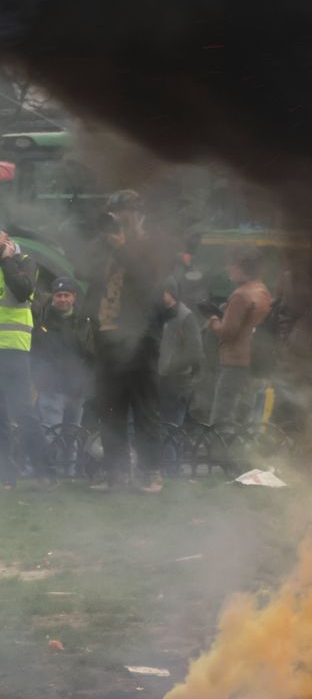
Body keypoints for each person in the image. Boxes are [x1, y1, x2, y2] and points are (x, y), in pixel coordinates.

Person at [85, 190, 173, 493]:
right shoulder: (107, 245)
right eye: (114, 213)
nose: (117, 219)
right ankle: (115, 474)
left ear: (137, 214)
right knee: (110, 408)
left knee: (144, 407)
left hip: (139, 337)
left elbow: (148, 281)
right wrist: (103, 243)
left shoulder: (151, 245)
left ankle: (151, 473)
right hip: (107, 337)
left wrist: (122, 248)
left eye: (123, 212)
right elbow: (84, 273)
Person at [0, 230, 56, 489]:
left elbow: (22, 291)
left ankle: (44, 471)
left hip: (15, 351)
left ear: (8, 241)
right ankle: (5, 476)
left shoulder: (24, 262)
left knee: (24, 412)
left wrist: (7, 260)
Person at [208, 248, 272, 426]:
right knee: (244, 413)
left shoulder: (240, 295)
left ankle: (219, 451)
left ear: (242, 267)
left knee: (223, 413)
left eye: (232, 264)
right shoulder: (262, 290)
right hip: (252, 359)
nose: (228, 268)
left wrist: (213, 320)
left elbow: (227, 333)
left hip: (233, 360)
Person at [31, 276, 94, 432]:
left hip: (77, 391)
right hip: (52, 390)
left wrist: (85, 383)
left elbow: (91, 355)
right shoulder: (42, 322)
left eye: (66, 295)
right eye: (59, 295)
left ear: (74, 297)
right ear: (53, 297)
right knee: (51, 437)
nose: (62, 299)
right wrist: (43, 381)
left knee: (71, 440)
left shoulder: (84, 323)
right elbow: (34, 354)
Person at [157, 277, 204, 426]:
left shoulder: (185, 317)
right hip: (162, 380)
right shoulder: (160, 314)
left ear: (170, 293)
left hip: (178, 382)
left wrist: (170, 367)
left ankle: (173, 450)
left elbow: (195, 352)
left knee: (172, 429)